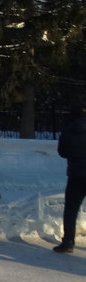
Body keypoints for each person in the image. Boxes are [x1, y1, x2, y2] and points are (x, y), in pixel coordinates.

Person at [54, 106, 86, 254]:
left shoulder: (68, 130)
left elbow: (62, 152)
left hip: (76, 175)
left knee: (71, 210)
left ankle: (68, 243)